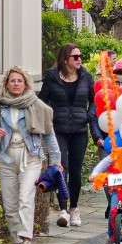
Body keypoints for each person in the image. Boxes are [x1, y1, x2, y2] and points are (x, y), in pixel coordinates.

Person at [0, 66, 61, 244]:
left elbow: (49, 132)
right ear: (6, 84)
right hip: (7, 158)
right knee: (10, 205)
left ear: (26, 84)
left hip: (30, 157)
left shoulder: (36, 104)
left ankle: (26, 241)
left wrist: (56, 160)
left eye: (19, 81)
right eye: (12, 81)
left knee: (25, 198)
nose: (16, 84)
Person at [38, 43, 105, 228]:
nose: (79, 59)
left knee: (75, 171)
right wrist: (48, 119)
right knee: (61, 168)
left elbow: (95, 101)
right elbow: (42, 101)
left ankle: (74, 208)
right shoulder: (52, 77)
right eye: (75, 56)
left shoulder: (86, 76)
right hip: (58, 129)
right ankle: (63, 210)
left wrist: (89, 116)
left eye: (80, 56)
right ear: (65, 59)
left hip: (79, 130)